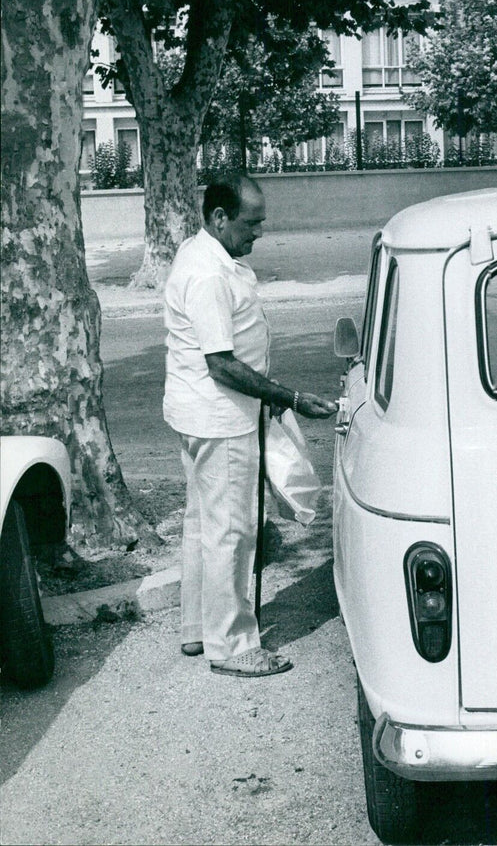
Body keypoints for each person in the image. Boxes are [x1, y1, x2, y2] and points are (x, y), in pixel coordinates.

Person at [163, 174, 337, 677]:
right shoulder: (210, 274)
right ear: (219, 218)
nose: (258, 232)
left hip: (200, 413)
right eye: (251, 222)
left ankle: (199, 629)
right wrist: (291, 398)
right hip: (221, 419)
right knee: (231, 532)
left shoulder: (203, 254)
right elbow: (222, 363)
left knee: (203, 525)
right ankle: (233, 646)